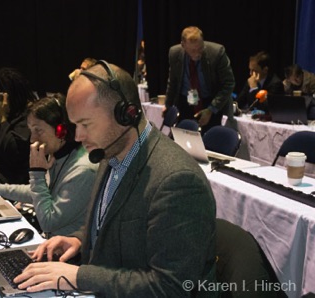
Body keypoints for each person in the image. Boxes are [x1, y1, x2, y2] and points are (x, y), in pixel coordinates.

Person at [12, 61, 217, 297]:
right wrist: (78, 240)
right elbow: (115, 227)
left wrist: (79, 277)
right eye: (75, 125)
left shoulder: (178, 182)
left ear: (125, 114)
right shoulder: (109, 152)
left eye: (85, 124)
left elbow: (170, 286)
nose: (78, 136)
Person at [0, 94, 98, 237]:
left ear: (61, 130)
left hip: (66, 253)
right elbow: (41, 194)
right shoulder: (59, 154)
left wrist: (37, 173)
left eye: (38, 130)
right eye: (31, 131)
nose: (32, 139)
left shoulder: (82, 170)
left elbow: (48, 222)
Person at [165, 26, 235, 134]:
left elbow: (229, 83)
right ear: (183, 45)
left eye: (200, 48)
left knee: (208, 142)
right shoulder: (174, 53)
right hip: (185, 103)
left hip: (210, 102)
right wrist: (167, 105)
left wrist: (211, 110)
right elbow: (172, 81)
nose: (198, 53)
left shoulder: (216, 53)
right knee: (183, 142)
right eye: (193, 50)